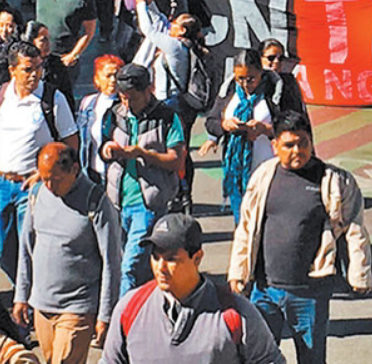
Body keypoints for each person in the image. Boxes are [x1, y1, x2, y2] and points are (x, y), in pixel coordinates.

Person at [229, 111, 372, 364]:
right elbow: (246, 228)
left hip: (310, 292)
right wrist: (238, 273)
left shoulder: (334, 181)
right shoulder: (264, 176)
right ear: (275, 146)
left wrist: (360, 275)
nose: (297, 151)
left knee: (311, 363)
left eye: (303, 143)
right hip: (264, 290)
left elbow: (354, 229)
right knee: (257, 363)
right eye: (289, 145)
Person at [93, 213, 286, 364]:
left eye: (171, 259)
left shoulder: (234, 312)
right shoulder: (130, 307)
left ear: (197, 258)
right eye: (156, 257)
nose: (160, 267)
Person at [0, 42, 79, 284]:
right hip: (1, 184)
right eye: (27, 69)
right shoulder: (0, 97)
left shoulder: (52, 99)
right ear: (12, 70)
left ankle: (29, 301)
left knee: (30, 248)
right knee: (2, 250)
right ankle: (23, 289)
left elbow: (72, 144)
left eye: (38, 67)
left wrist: (45, 175)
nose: (34, 74)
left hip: (33, 187)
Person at [14, 143, 120, 364]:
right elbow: (27, 248)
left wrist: (105, 314)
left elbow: (112, 263)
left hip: (78, 308)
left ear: (74, 169)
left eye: (56, 180)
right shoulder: (37, 194)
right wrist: (21, 295)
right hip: (42, 305)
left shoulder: (95, 202)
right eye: (44, 178)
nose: (49, 186)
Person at [101, 64, 185, 294]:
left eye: (132, 98)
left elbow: (176, 160)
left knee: (128, 267)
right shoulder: (113, 114)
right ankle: (148, 307)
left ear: (149, 90)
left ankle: (121, 320)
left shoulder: (167, 117)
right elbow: (101, 146)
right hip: (117, 201)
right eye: (122, 97)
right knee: (137, 267)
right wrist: (107, 149)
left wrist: (143, 154)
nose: (127, 103)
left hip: (148, 204)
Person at [201, 50, 283, 224]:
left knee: (264, 222)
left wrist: (265, 129)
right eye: (240, 78)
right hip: (237, 172)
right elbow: (211, 121)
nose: (246, 84)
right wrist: (225, 125)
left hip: (268, 170)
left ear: (261, 72)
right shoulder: (229, 89)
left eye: (251, 78)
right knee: (243, 225)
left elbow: (294, 126)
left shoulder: (275, 91)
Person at [76, 55, 122, 184]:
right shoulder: (87, 103)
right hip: (90, 174)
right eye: (108, 76)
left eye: (116, 75)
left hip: (116, 177)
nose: (113, 80)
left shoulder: (126, 104)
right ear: (97, 79)